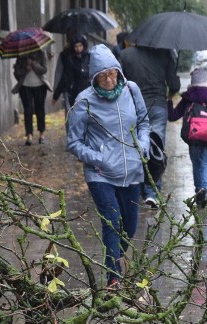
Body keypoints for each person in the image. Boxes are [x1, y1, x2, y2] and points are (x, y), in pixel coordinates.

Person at [66, 44, 150, 287]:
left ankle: (115, 258)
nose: (109, 80)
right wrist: (98, 158)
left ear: (119, 72)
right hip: (100, 174)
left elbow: (144, 122)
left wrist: (142, 145)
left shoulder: (132, 91)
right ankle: (113, 278)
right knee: (112, 222)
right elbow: (73, 142)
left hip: (132, 171)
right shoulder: (84, 101)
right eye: (103, 76)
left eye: (112, 73)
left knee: (130, 227)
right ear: (94, 77)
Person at [118, 42, 180, 209]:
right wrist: (169, 94)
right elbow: (175, 85)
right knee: (155, 149)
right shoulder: (165, 53)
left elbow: (119, 83)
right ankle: (152, 192)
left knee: (136, 147)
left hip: (134, 107)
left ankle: (135, 189)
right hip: (158, 105)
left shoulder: (126, 55)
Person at [167, 67, 207, 209]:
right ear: (206, 81)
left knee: (197, 164)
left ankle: (199, 192)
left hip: (192, 137)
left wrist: (169, 100)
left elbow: (173, 116)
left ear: (193, 81)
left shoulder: (188, 98)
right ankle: (205, 191)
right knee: (206, 163)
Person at [13, 50, 52, 145]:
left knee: (40, 109)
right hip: (25, 86)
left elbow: (44, 70)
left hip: (40, 86)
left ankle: (41, 134)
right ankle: (29, 135)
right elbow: (16, 72)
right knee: (28, 110)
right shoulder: (21, 55)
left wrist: (34, 64)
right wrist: (26, 68)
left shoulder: (41, 53)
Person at [52, 35, 90, 115]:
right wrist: (56, 94)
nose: (78, 48)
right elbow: (65, 76)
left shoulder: (89, 56)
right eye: (76, 46)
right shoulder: (69, 58)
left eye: (80, 46)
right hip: (72, 90)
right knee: (72, 113)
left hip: (86, 90)